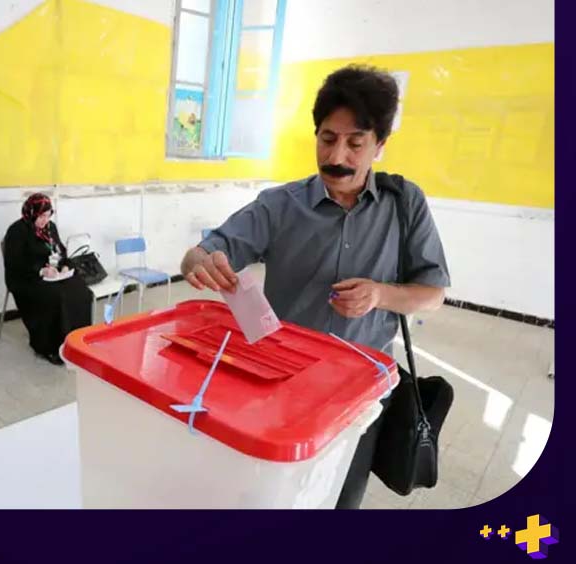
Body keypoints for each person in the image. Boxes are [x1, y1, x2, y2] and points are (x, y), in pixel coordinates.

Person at [180, 65, 451, 509]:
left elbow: (433, 293)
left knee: (342, 497)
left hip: (363, 393)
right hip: (282, 386)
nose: (336, 156)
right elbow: (201, 252)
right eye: (327, 139)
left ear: (380, 145)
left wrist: (380, 295)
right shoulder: (279, 205)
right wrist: (200, 262)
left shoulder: (405, 204)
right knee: (273, 495)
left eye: (355, 143)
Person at [3, 193, 93, 365]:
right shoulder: (17, 231)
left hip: (53, 273)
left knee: (81, 290)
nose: (45, 220)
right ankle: (50, 347)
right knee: (55, 297)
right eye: (41, 216)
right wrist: (40, 271)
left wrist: (65, 265)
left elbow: (60, 251)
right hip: (25, 278)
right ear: (31, 213)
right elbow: (15, 264)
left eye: (48, 215)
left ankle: (78, 340)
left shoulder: (50, 227)